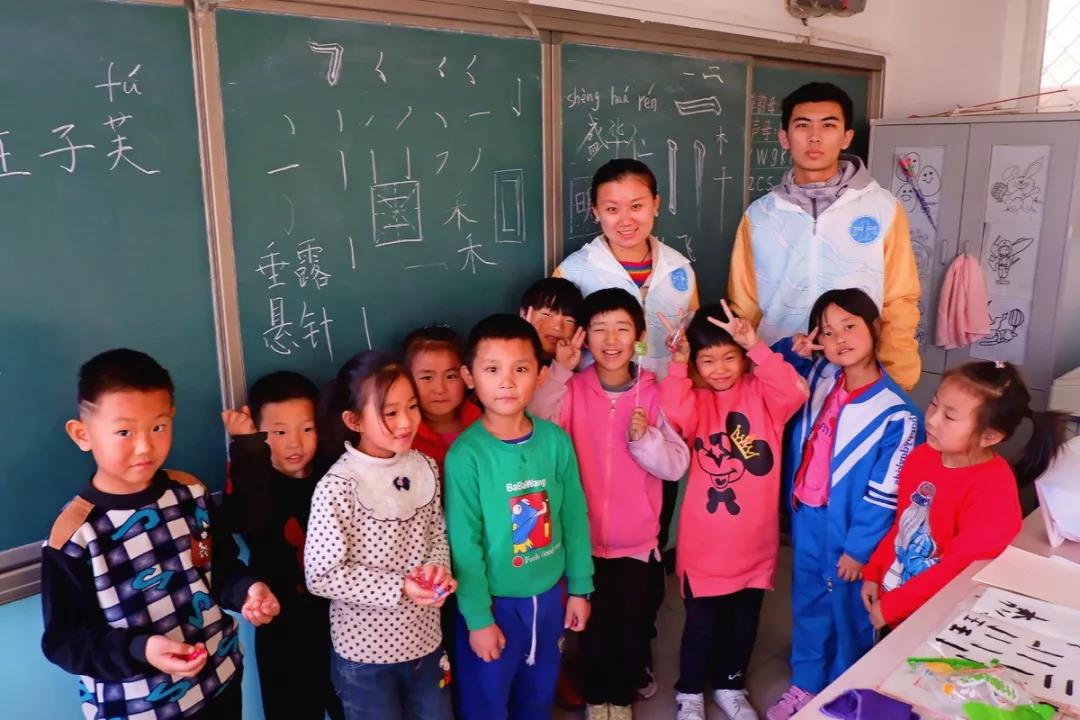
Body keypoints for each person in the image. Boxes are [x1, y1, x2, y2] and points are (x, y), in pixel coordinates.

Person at [42, 348, 280, 720]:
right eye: (124, 431)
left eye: (158, 427)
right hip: (140, 707)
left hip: (218, 679)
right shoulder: (76, 535)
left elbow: (214, 567)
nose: (145, 446)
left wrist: (247, 590)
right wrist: (141, 649)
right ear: (82, 434)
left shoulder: (190, 494)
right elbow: (66, 642)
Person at [728, 82, 921, 390]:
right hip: (778, 372)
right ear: (784, 137)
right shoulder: (760, 215)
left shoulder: (882, 208)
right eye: (802, 125)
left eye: (828, 125)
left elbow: (899, 300)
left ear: (847, 137)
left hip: (856, 375)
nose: (815, 137)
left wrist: (897, 376)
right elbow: (744, 306)